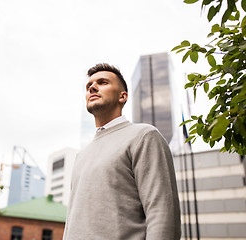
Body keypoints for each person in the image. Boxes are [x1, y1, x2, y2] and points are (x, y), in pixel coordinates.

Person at [63, 63, 181, 239]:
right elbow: (71, 219)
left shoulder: (143, 136)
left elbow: (162, 210)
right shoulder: (81, 155)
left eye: (102, 82)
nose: (92, 88)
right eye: (89, 86)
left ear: (123, 96)